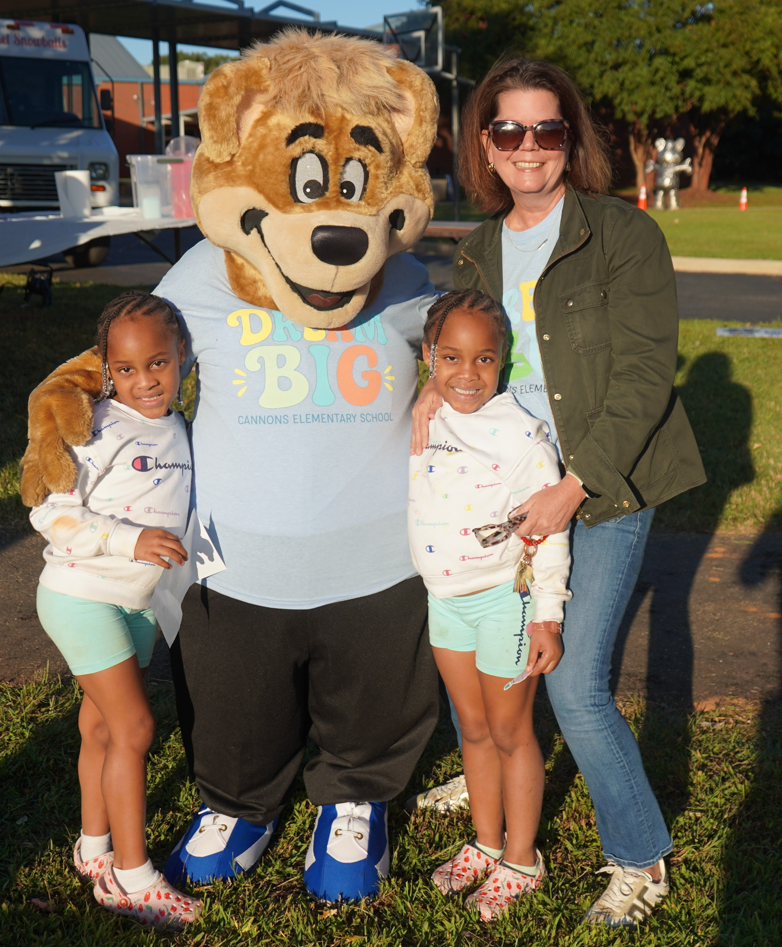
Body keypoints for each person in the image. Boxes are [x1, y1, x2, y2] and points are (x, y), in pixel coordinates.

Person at [412, 57, 706, 928]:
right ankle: (491, 779)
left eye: (546, 128)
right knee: (486, 641)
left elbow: (646, 375)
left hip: (602, 484)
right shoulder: (478, 247)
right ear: (486, 145)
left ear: (569, 138)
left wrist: (573, 488)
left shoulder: (621, 234)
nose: (529, 146)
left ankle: (641, 855)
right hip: (506, 484)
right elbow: (462, 345)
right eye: (509, 130)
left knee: (574, 682)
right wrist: (428, 385)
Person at [29, 291, 201, 931]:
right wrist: (129, 540)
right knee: (134, 729)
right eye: (125, 369)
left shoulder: (181, 426)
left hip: (138, 604)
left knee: (101, 728)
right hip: (81, 595)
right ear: (106, 368)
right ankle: (131, 878)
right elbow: (50, 512)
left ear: (181, 357)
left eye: (158, 363)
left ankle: (93, 847)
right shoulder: (96, 427)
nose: (144, 381)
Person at [409, 289, 571, 921]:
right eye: (451, 357)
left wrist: (549, 614)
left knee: (509, 732)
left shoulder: (522, 434)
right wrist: (427, 390)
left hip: (507, 601)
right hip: (444, 601)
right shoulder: (424, 414)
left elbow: (548, 531)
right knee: (472, 728)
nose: (468, 374)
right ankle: (486, 842)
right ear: (429, 356)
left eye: (484, 359)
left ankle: (522, 860)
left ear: (503, 361)